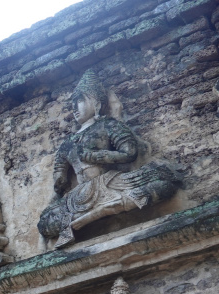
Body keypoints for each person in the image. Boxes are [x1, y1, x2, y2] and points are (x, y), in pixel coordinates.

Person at [38, 70, 180, 246]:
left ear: (96, 103)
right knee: (44, 223)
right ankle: (93, 213)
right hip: (80, 195)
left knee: (163, 182)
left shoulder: (108, 125)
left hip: (110, 182)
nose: (75, 107)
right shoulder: (67, 143)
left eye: (81, 100)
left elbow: (129, 153)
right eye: (73, 102)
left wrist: (95, 156)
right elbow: (60, 177)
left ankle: (98, 212)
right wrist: (59, 179)